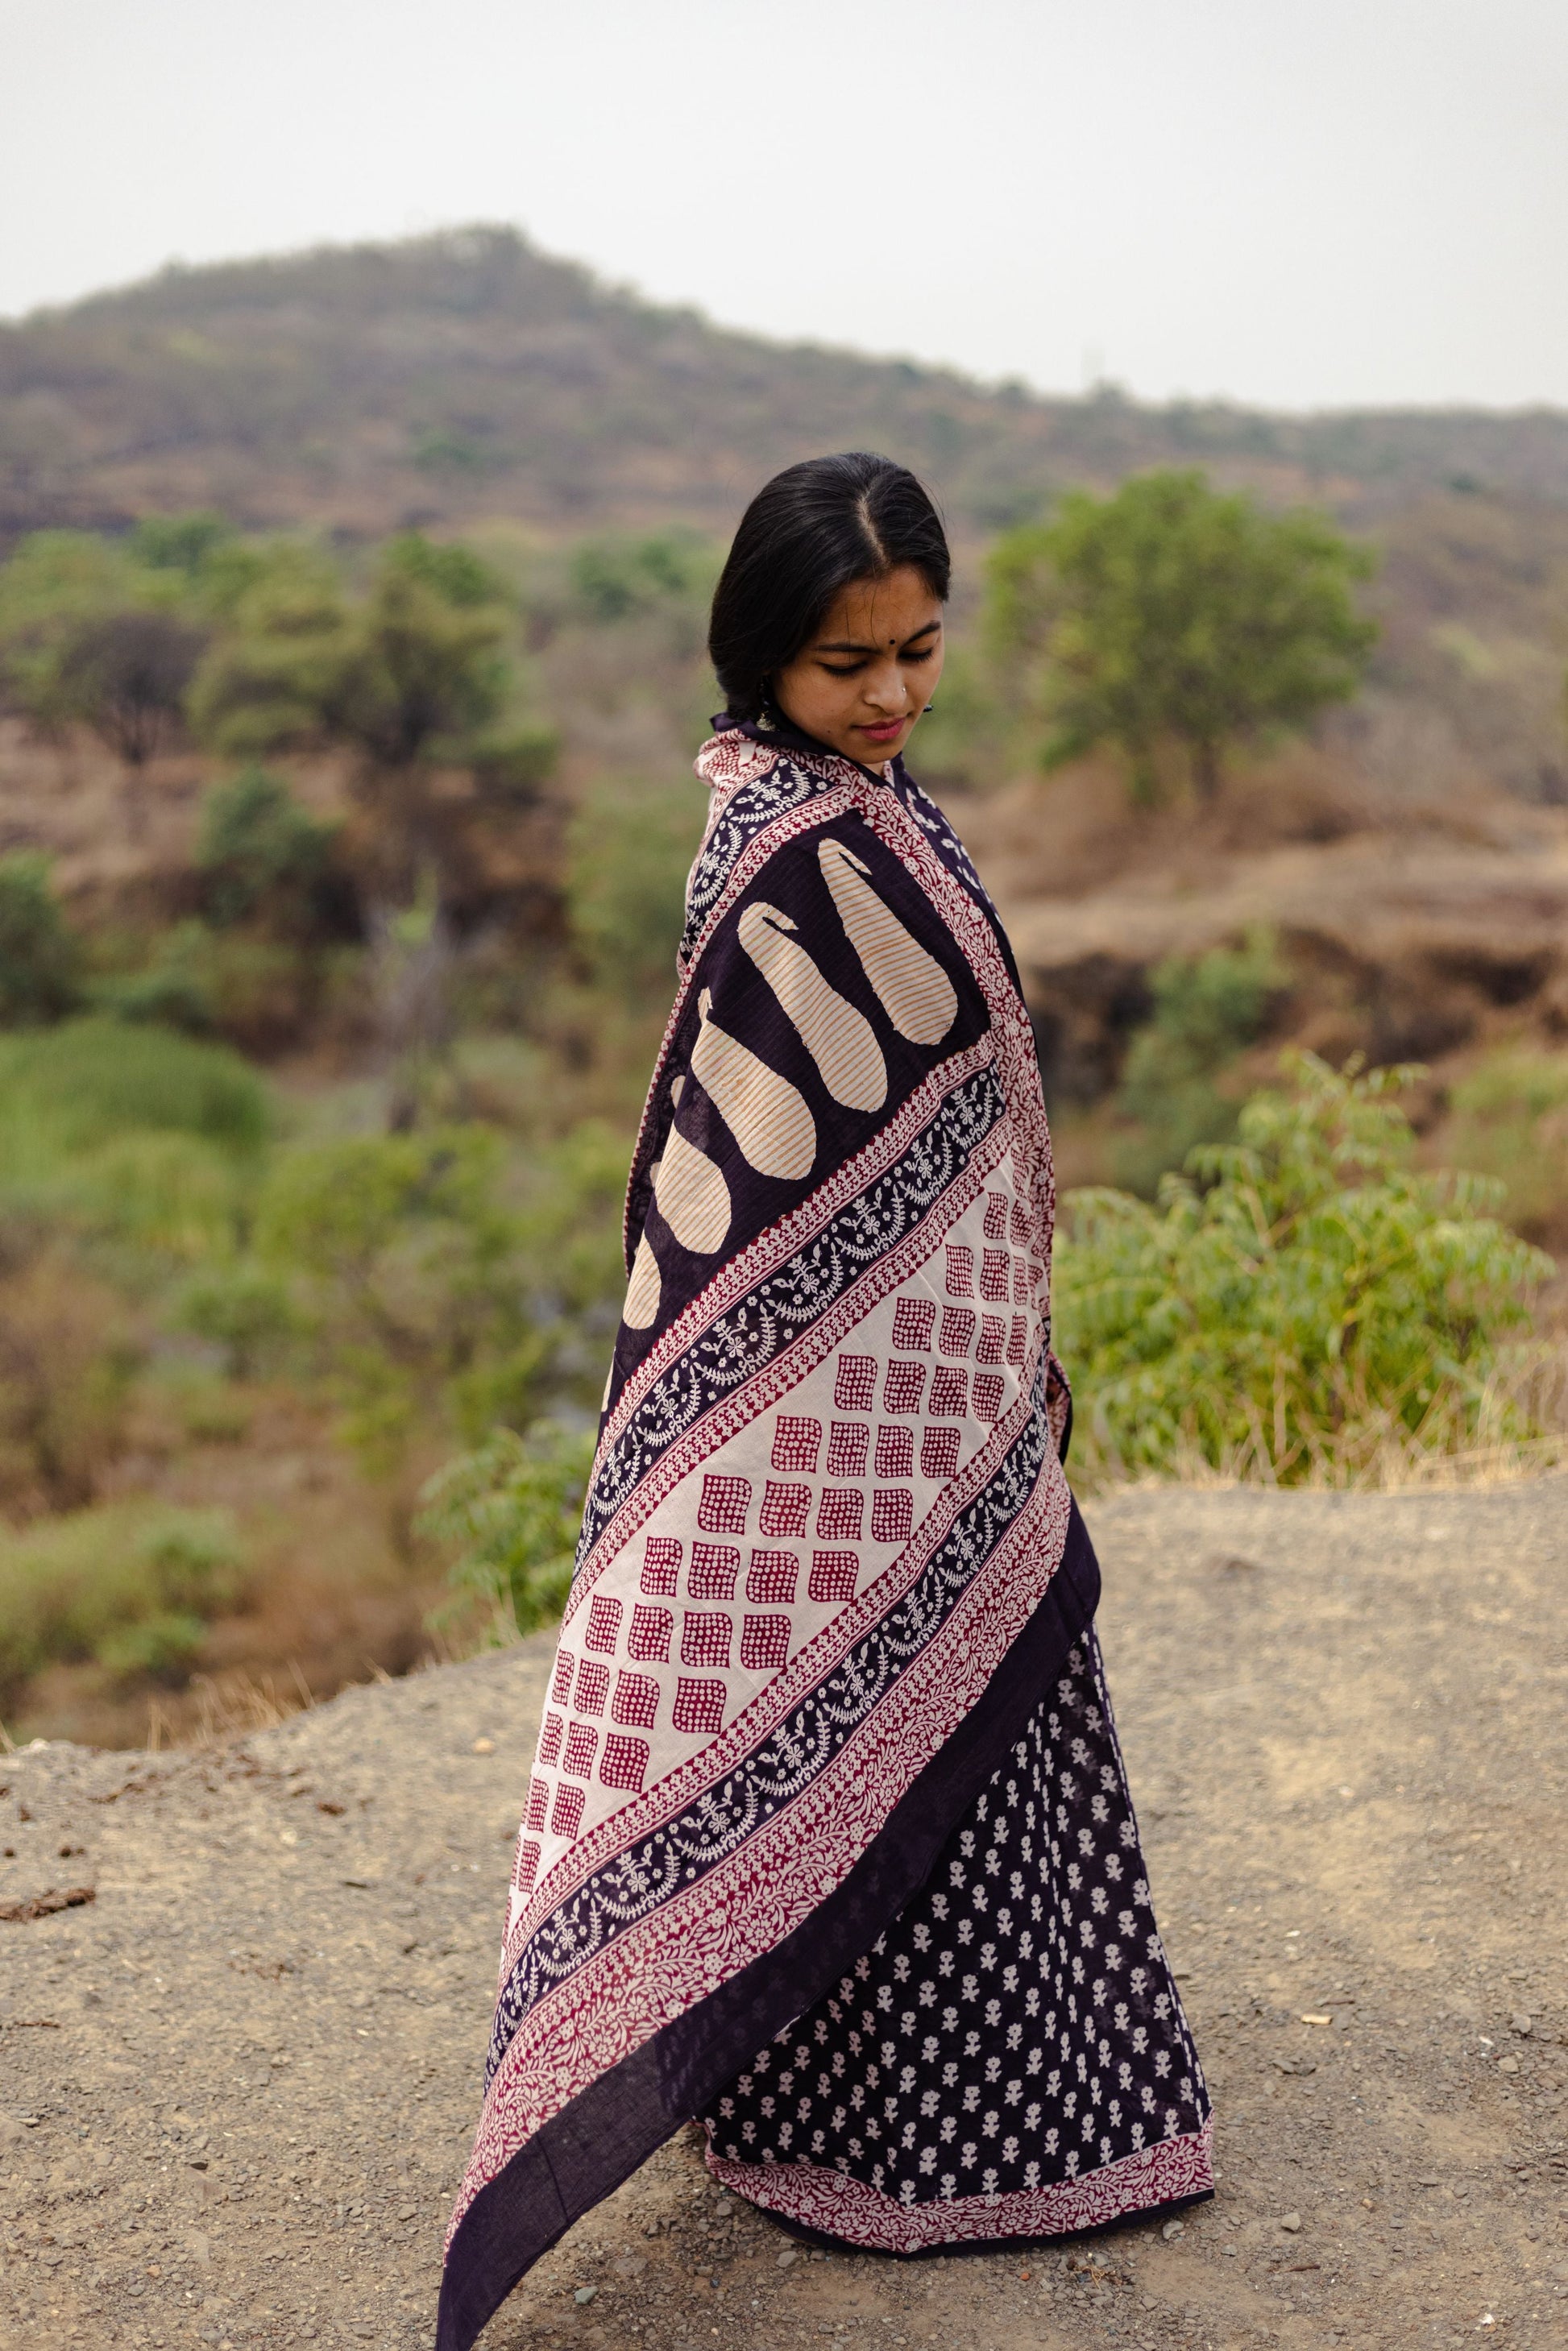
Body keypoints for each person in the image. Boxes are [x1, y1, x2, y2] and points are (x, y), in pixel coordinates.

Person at [438, 453, 1211, 2351]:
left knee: (965, 1739)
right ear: (758, 651)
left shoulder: (848, 798)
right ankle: (889, 2145)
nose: (886, 691)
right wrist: (839, 1375)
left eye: (918, 650)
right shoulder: (790, 842)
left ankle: (970, 2111)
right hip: (844, 1411)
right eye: (843, 658)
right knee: (872, 1725)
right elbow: (767, 1169)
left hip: (936, 1393)